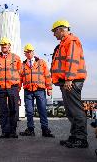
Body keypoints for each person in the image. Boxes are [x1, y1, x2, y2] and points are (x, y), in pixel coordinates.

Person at [51, 20, 88, 148]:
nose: (54, 34)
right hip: (68, 81)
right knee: (71, 111)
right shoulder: (64, 43)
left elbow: (72, 60)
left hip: (72, 81)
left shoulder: (71, 41)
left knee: (76, 111)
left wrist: (69, 79)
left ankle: (81, 139)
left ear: (61, 29)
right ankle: (74, 136)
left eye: (54, 31)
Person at [19, 43, 54, 137]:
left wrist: (49, 88)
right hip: (28, 91)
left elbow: (47, 75)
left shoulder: (41, 62)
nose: (29, 53)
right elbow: (20, 78)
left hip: (40, 90)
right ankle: (30, 129)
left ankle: (45, 130)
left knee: (42, 110)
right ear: (25, 53)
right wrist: (17, 91)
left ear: (33, 52)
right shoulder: (22, 65)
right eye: (27, 52)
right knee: (29, 111)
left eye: (31, 51)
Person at [0, 37, 21, 138]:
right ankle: (5, 132)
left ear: (9, 46)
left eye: (6, 45)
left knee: (14, 109)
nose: (4, 46)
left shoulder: (16, 58)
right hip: (1, 87)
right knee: (3, 110)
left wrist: (18, 87)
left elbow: (19, 73)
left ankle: (13, 131)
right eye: (2, 45)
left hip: (13, 87)